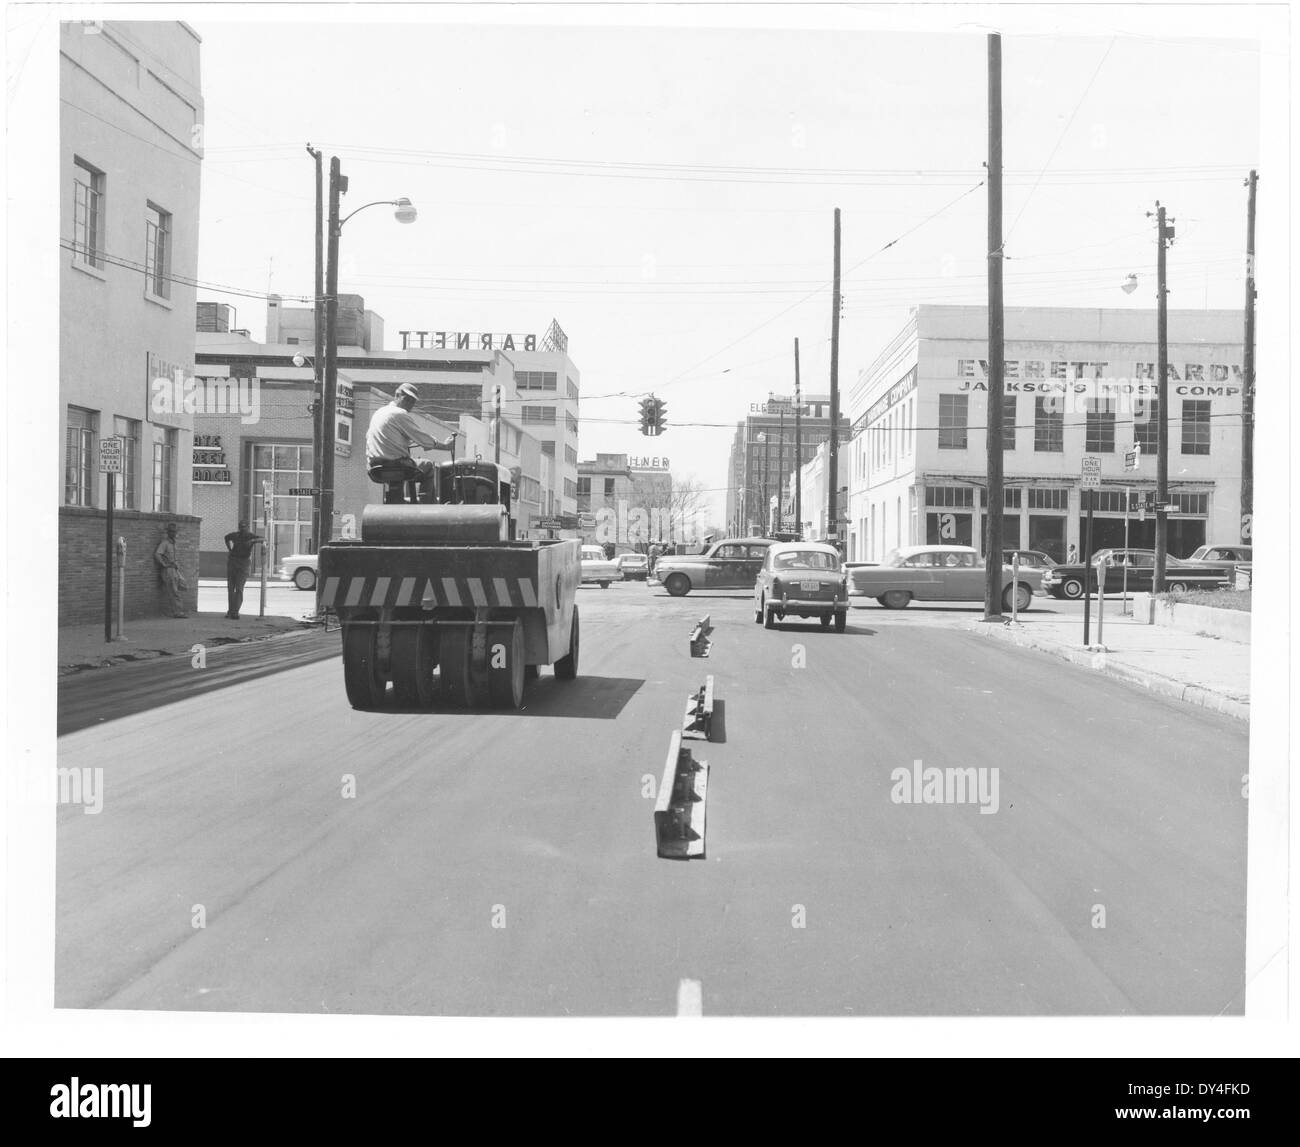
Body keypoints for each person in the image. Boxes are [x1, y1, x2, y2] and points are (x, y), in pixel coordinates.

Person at [365, 383, 456, 501]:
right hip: (396, 465)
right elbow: (423, 439)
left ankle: (403, 501)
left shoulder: (379, 412)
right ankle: (426, 508)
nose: (410, 404)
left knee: (410, 464)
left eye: (412, 401)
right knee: (427, 466)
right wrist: (445, 446)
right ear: (397, 395)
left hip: (375, 468)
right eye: (407, 399)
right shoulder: (399, 413)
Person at [224, 519, 263, 620]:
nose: (242, 529)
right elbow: (226, 538)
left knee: (239, 588)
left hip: (244, 563)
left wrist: (252, 541)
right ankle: (230, 611)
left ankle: (235, 612)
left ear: (247, 528)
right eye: (241, 527)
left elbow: (264, 539)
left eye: (244, 527)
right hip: (233, 562)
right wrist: (230, 549)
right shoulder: (235, 535)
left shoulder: (250, 536)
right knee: (230, 588)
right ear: (239, 527)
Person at [153, 523, 188, 618]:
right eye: (171, 531)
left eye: (174, 531)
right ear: (168, 532)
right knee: (174, 592)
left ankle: (176, 611)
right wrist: (164, 564)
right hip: (168, 570)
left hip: (175, 570)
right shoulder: (165, 543)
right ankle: (178, 612)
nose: (173, 533)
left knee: (181, 588)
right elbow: (157, 554)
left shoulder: (174, 543)